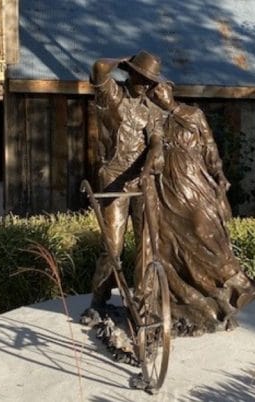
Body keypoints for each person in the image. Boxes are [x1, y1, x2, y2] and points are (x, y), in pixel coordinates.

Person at [144, 82, 255, 336]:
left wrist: (219, 173)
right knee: (171, 244)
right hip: (167, 187)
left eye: (160, 89)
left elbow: (210, 147)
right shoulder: (154, 120)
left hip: (194, 180)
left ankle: (237, 283)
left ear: (170, 90)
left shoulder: (193, 114)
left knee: (204, 228)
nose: (157, 95)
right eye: (152, 92)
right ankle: (200, 297)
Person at [86, 50, 166, 310]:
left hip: (142, 181)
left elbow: (156, 142)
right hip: (114, 178)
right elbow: (99, 67)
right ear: (130, 74)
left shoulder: (153, 110)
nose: (146, 85)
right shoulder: (112, 96)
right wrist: (120, 61)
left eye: (150, 81)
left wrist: (147, 169)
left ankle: (142, 303)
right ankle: (99, 300)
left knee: (146, 247)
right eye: (142, 77)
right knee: (113, 247)